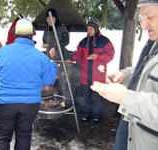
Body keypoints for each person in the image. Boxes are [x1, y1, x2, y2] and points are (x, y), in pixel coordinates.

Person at [91, 0, 158, 149]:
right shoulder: (153, 43)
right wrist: (125, 75)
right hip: (133, 126)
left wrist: (125, 98)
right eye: (142, 17)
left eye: (150, 17)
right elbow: (146, 69)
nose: (143, 25)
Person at [0, 18, 58, 150]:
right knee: (24, 136)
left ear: (15, 33)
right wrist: (53, 65)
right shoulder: (41, 57)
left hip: (5, 103)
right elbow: (48, 81)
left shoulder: (2, 52)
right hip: (29, 104)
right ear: (32, 34)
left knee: (2, 138)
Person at [67, 18, 115, 123]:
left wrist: (98, 56)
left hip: (98, 76)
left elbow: (110, 55)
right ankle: (85, 114)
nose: (89, 31)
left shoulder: (105, 41)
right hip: (85, 76)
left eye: (91, 29)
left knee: (97, 97)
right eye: (87, 29)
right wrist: (71, 60)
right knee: (85, 96)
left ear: (96, 29)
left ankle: (97, 115)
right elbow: (78, 55)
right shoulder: (83, 42)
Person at [42, 8, 70, 101]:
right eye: (48, 19)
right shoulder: (46, 29)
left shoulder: (62, 28)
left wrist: (55, 47)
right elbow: (45, 41)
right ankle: (52, 101)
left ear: (56, 18)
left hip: (60, 59)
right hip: (49, 59)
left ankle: (65, 103)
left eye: (52, 18)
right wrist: (46, 45)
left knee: (62, 82)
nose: (49, 21)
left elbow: (66, 41)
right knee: (50, 81)